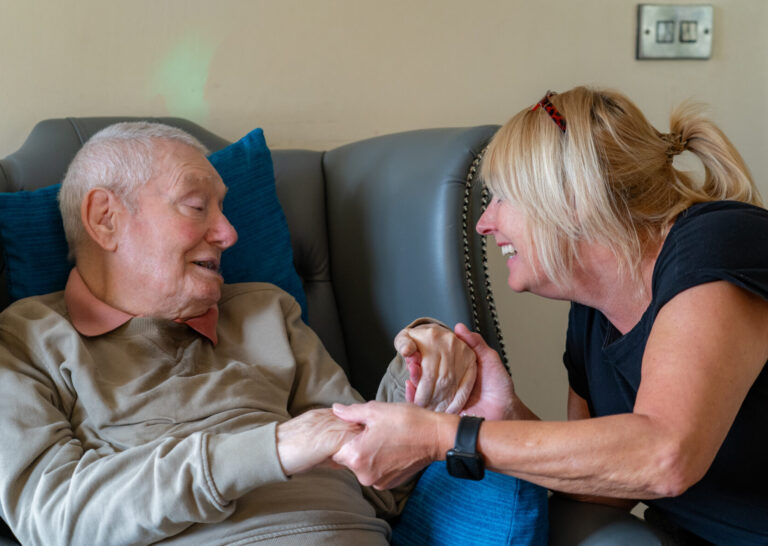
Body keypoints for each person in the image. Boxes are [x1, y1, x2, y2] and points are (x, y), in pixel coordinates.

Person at [0, 122, 476, 545]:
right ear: (105, 218)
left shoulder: (267, 310)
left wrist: (420, 376)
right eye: (196, 206)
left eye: (222, 210)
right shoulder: (25, 340)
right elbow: (54, 519)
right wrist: (272, 448)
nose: (228, 233)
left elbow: (378, 488)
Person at [331, 86, 768, 545]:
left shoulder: (718, 242)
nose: (485, 223)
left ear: (570, 197)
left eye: (501, 198)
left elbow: (665, 455)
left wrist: (443, 437)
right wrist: (505, 415)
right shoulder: (592, 313)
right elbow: (605, 493)